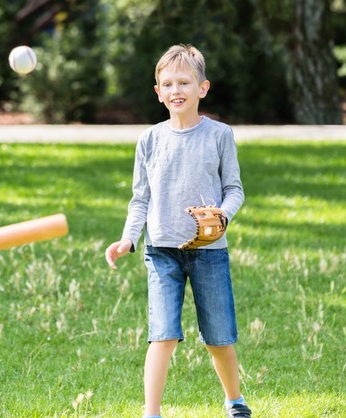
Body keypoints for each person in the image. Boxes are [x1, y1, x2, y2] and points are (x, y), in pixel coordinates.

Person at [104, 44, 249, 418]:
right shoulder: (150, 140)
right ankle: (151, 413)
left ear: (203, 88)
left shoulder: (219, 135)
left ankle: (235, 401)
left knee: (218, 337)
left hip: (209, 252)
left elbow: (234, 189)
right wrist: (127, 238)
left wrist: (223, 215)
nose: (175, 90)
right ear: (158, 92)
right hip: (161, 252)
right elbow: (140, 199)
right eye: (167, 84)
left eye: (184, 82)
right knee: (162, 335)